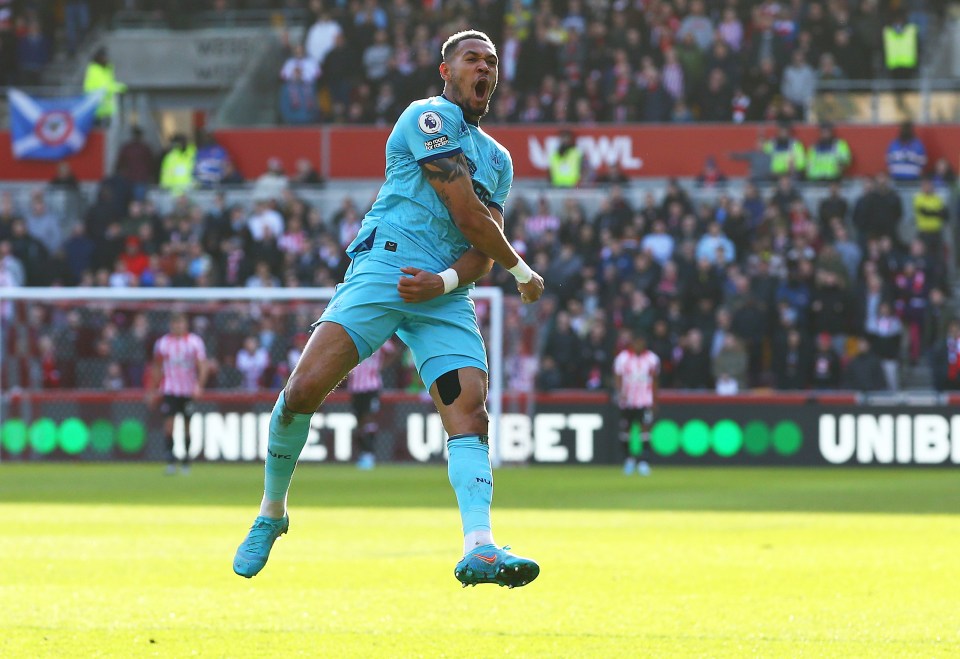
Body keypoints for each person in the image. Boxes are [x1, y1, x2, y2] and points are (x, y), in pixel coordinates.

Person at [232, 30, 545, 588]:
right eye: (473, 59)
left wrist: (446, 280)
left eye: (492, 62)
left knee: (469, 411)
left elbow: (481, 247)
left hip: (441, 292)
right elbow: (467, 213)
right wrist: (522, 272)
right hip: (386, 269)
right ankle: (271, 513)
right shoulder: (427, 117)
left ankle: (481, 547)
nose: (486, 69)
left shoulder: (498, 160)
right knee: (303, 391)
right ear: (446, 71)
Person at [150, 313, 209, 475]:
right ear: (171, 325)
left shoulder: (194, 342)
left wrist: (199, 385)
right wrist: (154, 388)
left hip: (188, 390)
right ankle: (170, 461)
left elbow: (203, 365)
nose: (178, 326)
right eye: (175, 324)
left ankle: (186, 461)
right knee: (169, 425)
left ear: (185, 325)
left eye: (181, 323)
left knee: (187, 426)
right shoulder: (162, 344)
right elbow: (156, 366)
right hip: (169, 389)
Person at [613, 332, 660, 476]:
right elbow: (618, 377)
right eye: (636, 342)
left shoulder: (652, 359)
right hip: (627, 401)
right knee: (626, 430)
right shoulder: (622, 358)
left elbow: (655, 380)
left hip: (645, 400)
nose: (639, 345)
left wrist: (655, 400)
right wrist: (620, 393)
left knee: (645, 430)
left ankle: (644, 461)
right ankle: (628, 460)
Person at [349, 340, 397, 470]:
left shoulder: (380, 337)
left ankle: (369, 454)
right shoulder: (353, 335)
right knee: (359, 421)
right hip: (355, 387)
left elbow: (393, 351)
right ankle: (364, 454)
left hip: (371, 386)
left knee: (368, 418)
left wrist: (380, 366)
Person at [83, 47, 127, 125]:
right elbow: (104, 87)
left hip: (106, 110)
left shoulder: (107, 69)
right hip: (96, 110)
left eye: (106, 56)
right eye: (103, 57)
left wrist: (120, 87)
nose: (105, 59)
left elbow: (110, 84)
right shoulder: (94, 70)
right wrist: (120, 88)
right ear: (98, 58)